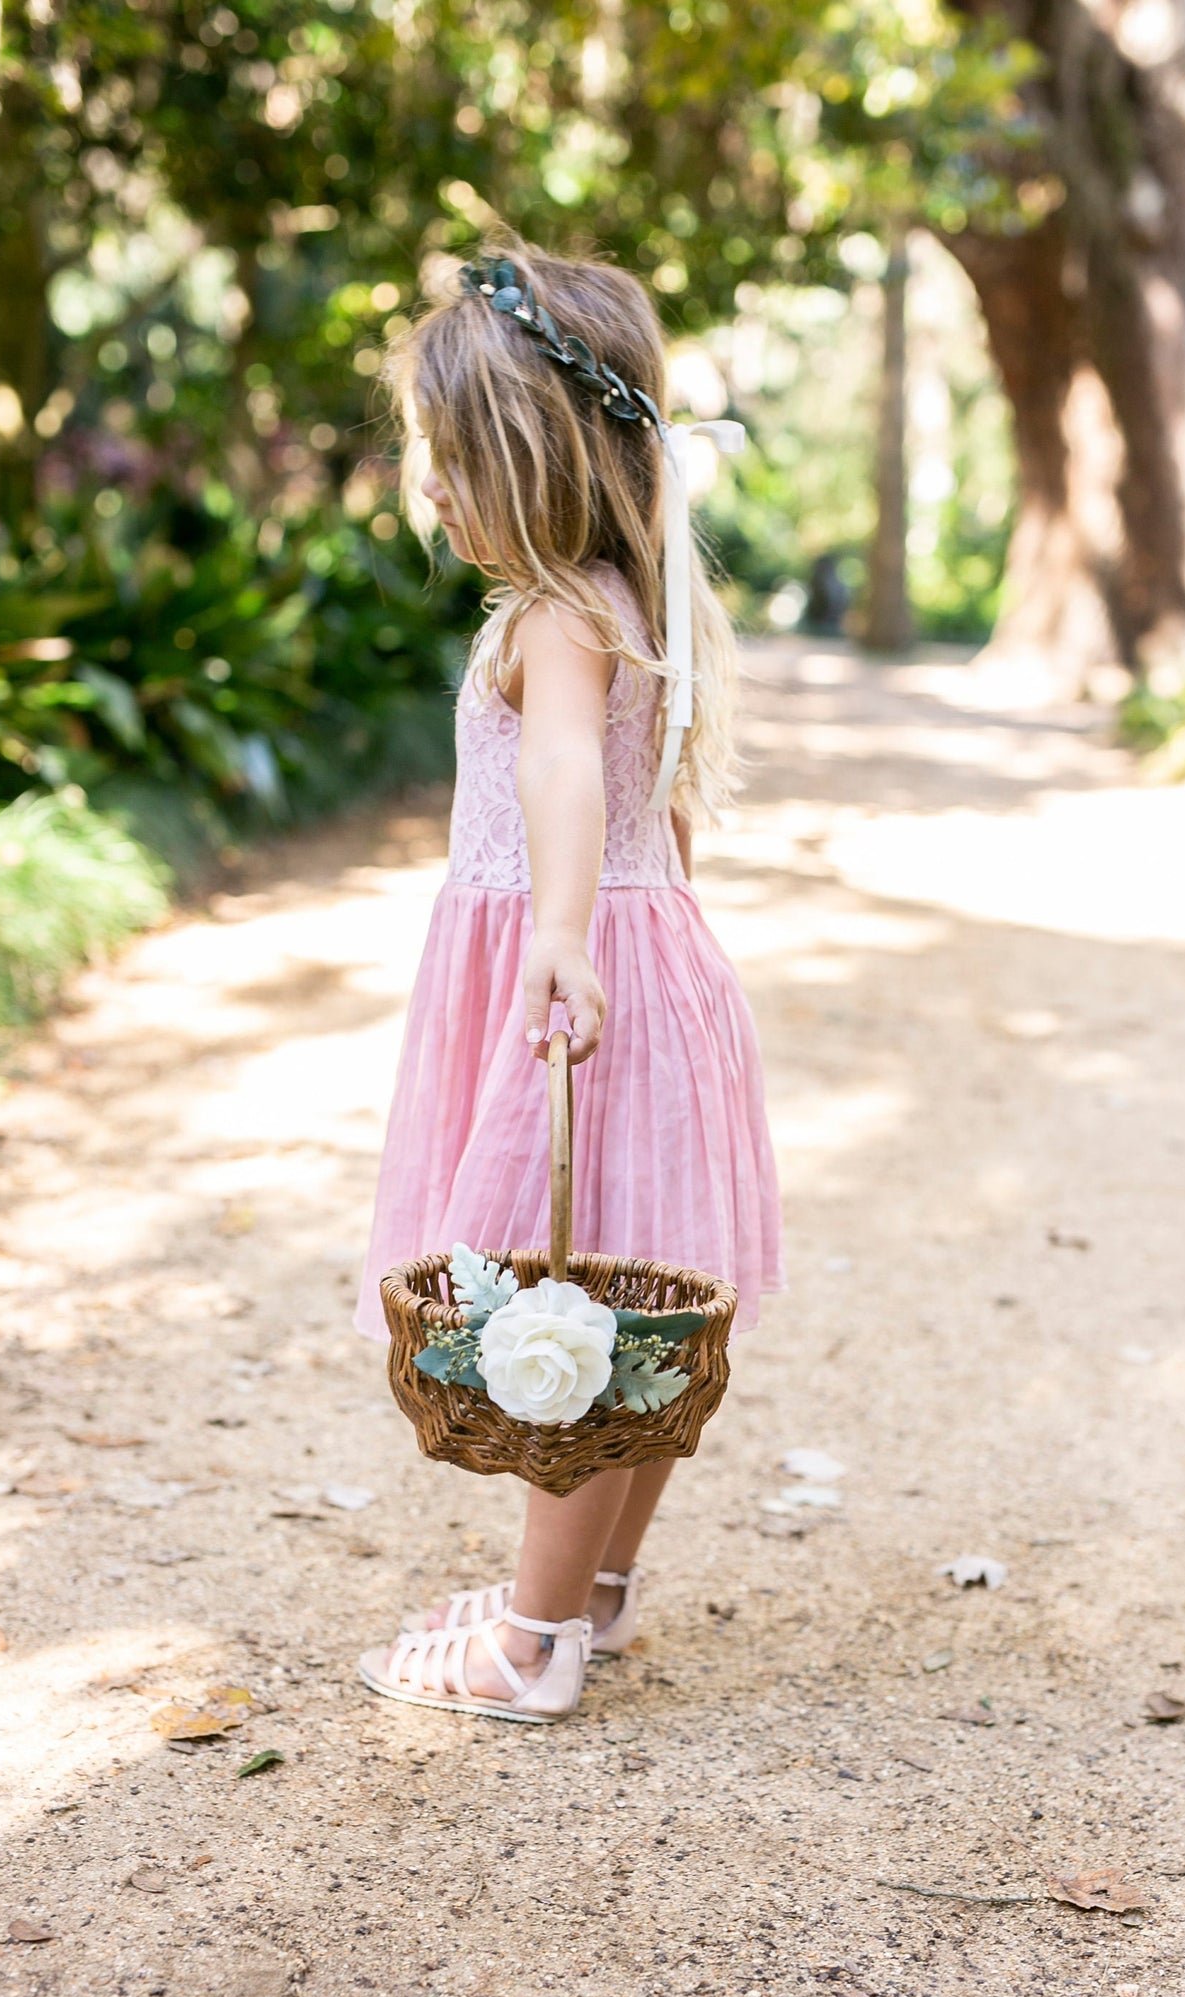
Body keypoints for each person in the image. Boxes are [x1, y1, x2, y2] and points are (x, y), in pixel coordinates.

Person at [354, 240, 782, 1721]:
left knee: (572, 1315)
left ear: (526, 457)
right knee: (637, 1309)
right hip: (646, 971)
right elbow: (654, 803)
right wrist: (650, 946)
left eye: (448, 457)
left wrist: (556, 931)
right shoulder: (629, 596)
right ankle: (591, 1594)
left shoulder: (556, 611)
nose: (429, 490)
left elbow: (562, 773)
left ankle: (531, 1644)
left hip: (579, 979)